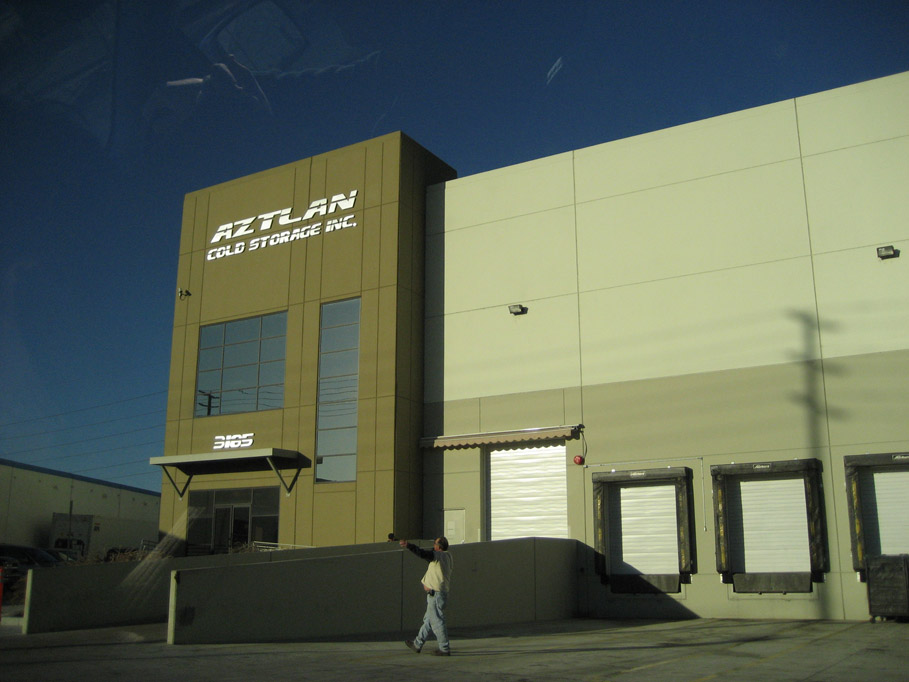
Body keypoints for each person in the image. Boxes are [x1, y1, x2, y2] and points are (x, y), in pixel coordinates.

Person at [400, 536, 453, 656]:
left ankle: (444, 648)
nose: (433, 545)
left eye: (435, 543)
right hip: (438, 594)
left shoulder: (438, 556)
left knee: (437, 622)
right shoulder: (447, 556)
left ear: (439, 547)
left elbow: (423, 554)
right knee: (428, 621)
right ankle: (417, 644)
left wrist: (409, 545)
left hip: (435, 595)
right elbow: (429, 555)